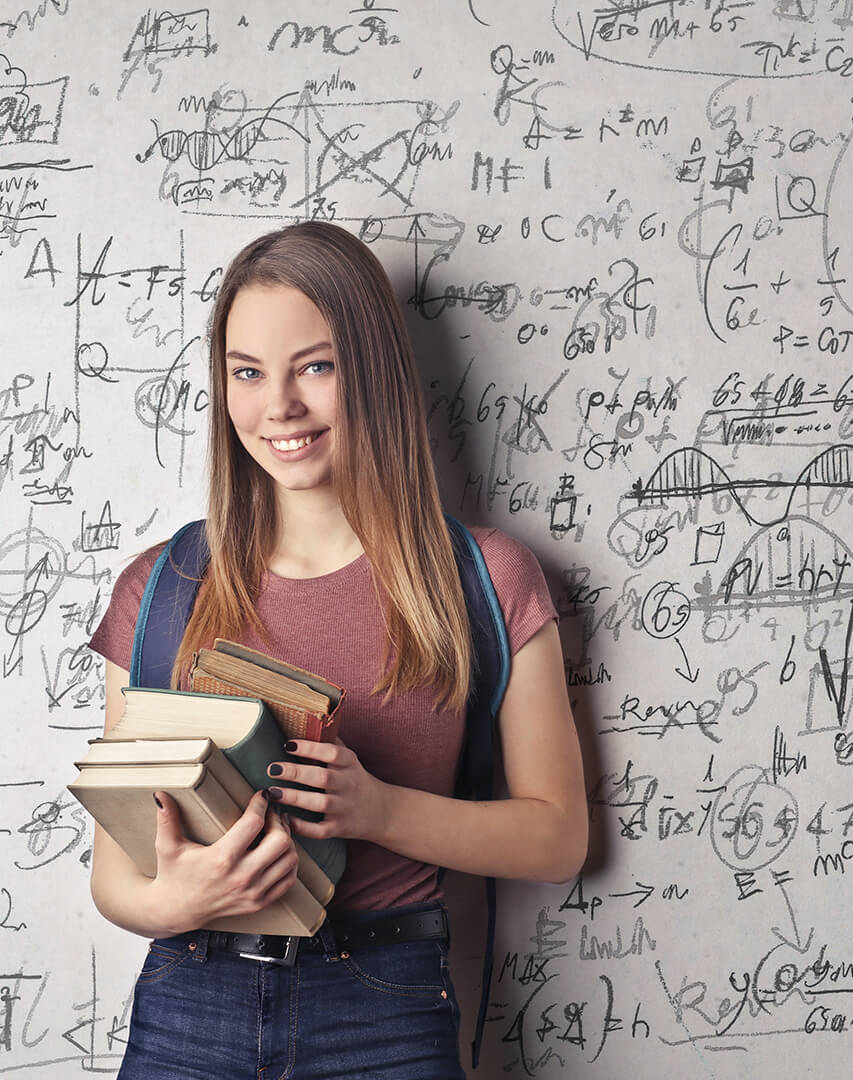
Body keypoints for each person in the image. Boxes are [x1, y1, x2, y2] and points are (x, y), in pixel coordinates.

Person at [84, 220, 588, 1079]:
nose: (278, 406)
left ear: (374, 371)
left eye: (314, 366)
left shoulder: (486, 580)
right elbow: (115, 876)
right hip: (188, 1003)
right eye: (247, 373)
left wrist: (381, 812)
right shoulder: (161, 587)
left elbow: (559, 840)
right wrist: (177, 899)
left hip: (384, 1013)